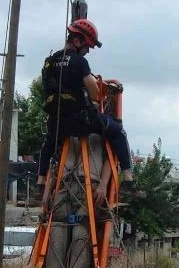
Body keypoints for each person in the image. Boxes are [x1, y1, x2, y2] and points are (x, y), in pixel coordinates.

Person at [37, 19, 134, 194]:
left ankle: (41, 180)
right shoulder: (79, 62)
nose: (87, 51)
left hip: (57, 123)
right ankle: (128, 179)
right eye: (87, 46)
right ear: (77, 40)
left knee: (48, 144)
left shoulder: (50, 61)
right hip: (80, 121)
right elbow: (95, 94)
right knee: (118, 131)